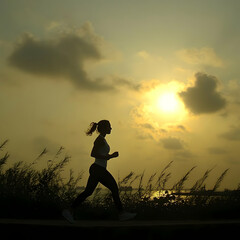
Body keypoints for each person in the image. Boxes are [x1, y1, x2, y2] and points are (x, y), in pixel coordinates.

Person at [62, 120, 136, 223]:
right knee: (114, 188)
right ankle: (122, 214)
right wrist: (110, 156)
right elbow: (93, 154)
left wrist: (109, 156)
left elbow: (100, 154)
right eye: (109, 127)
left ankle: (69, 211)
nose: (111, 128)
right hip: (98, 169)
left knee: (88, 191)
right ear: (104, 128)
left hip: (98, 169)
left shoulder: (102, 140)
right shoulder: (99, 140)